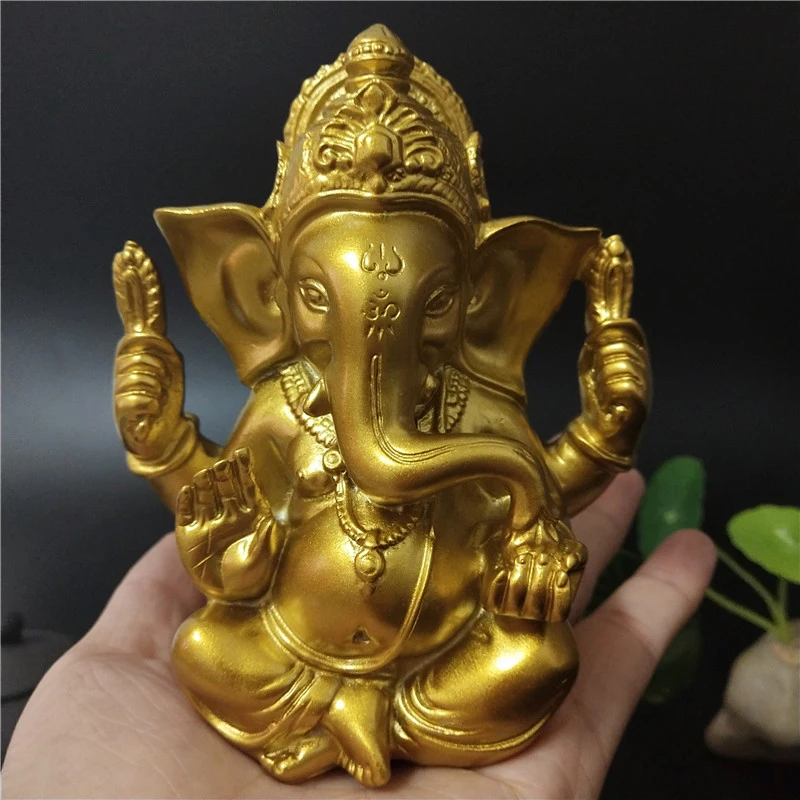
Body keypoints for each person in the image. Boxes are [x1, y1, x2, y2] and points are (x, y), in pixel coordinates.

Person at [2, 471, 717, 799]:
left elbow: (552, 489)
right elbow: (213, 490)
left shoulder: (484, 423)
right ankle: (354, 715)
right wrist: (235, 565)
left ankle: (353, 721)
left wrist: (531, 562)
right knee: (200, 646)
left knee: (543, 655)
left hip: (441, 653)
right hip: (292, 648)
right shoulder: (288, 409)